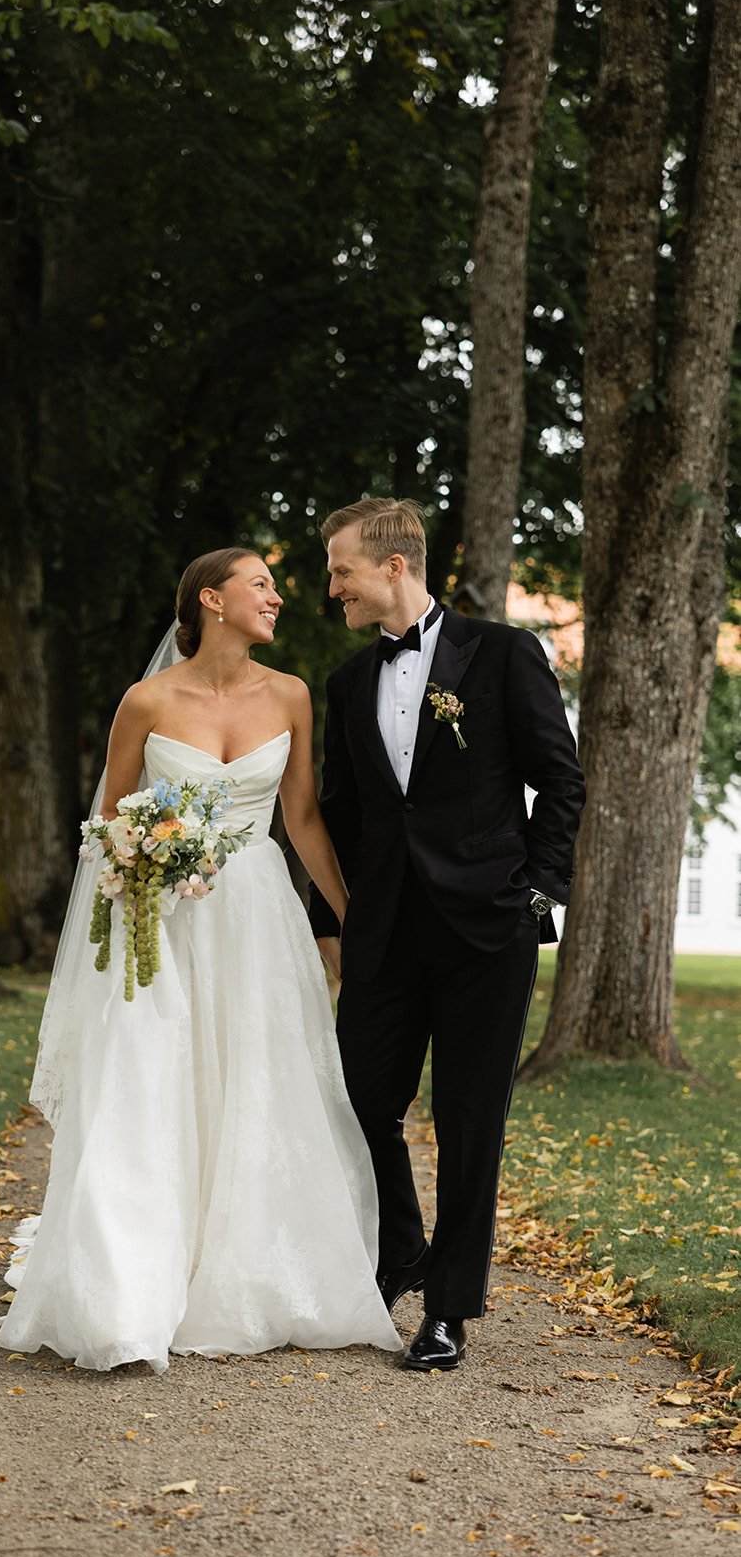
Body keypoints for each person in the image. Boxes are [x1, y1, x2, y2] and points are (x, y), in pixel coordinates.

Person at [0, 547, 401, 1373]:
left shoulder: (289, 695)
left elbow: (304, 822)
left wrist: (352, 920)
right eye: (262, 584)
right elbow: (106, 821)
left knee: (258, 1081)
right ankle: (125, 1289)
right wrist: (137, 858)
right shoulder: (146, 701)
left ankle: (248, 1275)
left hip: (255, 915)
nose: (279, 598)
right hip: (160, 922)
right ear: (211, 600)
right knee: (148, 1084)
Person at [309, 498, 585, 1372]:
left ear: (393, 567)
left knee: (470, 1121)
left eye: (340, 570)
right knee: (359, 1101)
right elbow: (343, 813)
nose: (331, 588)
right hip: (382, 931)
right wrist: (330, 926)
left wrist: (538, 897)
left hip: (486, 931)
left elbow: (559, 781)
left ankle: (447, 1310)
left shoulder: (501, 654)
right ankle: (400, 1253)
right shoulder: (349, 683)